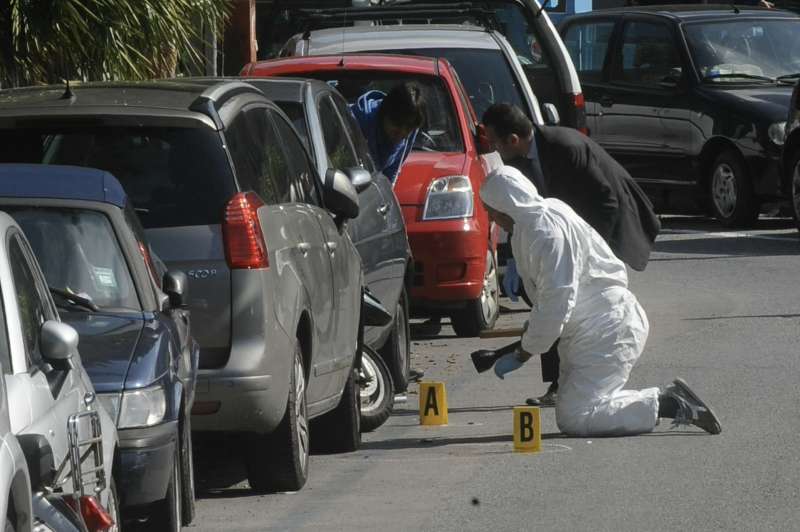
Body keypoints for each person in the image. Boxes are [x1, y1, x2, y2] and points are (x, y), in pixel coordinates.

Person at [480, 166, 721, 436]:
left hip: (607, 329)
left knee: (577, 417)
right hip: (590, 329)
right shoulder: (540, 217)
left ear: (506, 207)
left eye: (492, 210)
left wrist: (524, 352)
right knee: (572, 410)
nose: (491, 217)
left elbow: (557, 302)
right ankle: (669, 402)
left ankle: (670, 404)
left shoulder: (546, 234)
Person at [481, 103, 661, 407]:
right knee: (554, 301)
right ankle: (562, 383)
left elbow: (606, 202)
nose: (494, 150)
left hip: (610, 220)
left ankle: (581, 381)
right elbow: (519, 210)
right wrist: (515, 257)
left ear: (513, 139)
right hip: (567, 232)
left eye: (495, 142)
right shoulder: (519, 162)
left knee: (568, 299)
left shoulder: (564, 148)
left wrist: (582, 252)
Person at [350, 81, 425, 183]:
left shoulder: (412, 129)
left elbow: (392, 172)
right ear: (384, 114)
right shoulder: (357, 123)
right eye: (397, 124)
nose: (402, 133)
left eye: (408, 128)